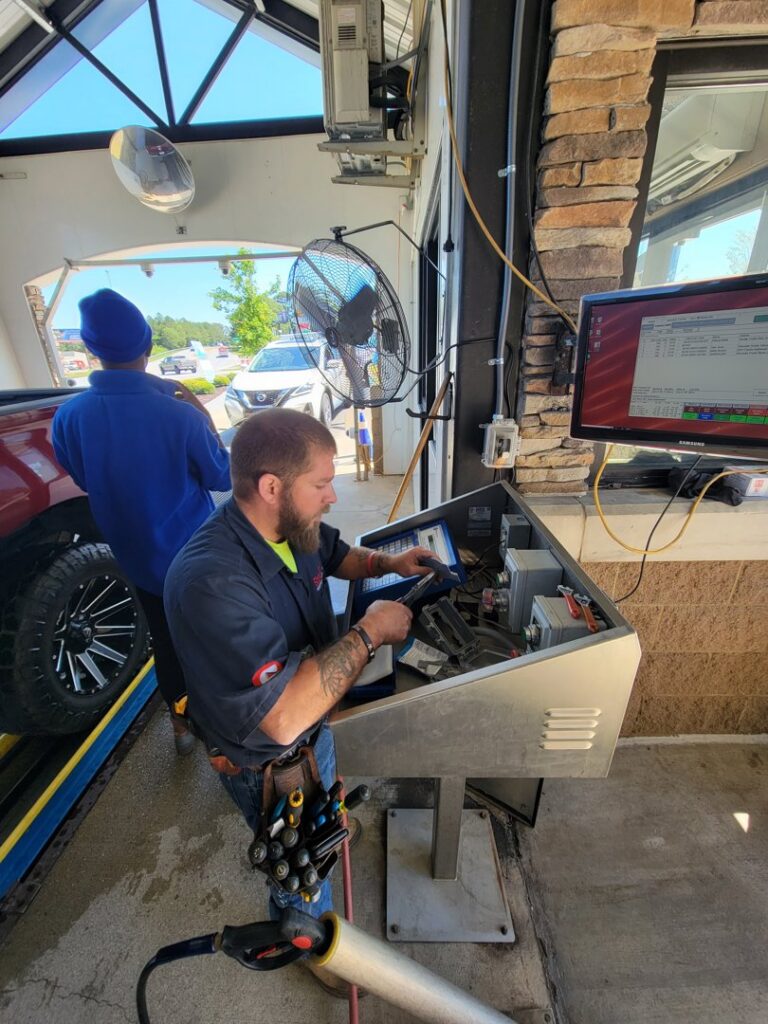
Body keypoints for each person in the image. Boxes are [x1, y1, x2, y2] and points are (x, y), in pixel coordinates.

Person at [163, 409, 432, 967]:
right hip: (268, 759)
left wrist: (389, 561)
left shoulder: (293, 524)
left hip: (316, 727)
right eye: (322, 483)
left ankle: (328, 831)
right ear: (271, 487)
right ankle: (313, 951)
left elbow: (337, 556)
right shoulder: (211, 581)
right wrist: (371, 631)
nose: (333, 496)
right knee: (302, 871)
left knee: (325, 820)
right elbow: (282, 717)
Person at [51, 288, 231, 755]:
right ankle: (228, 727)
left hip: (135, 558)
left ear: (91, 350)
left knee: (165, 638)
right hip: (196, 555)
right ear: (148, 346)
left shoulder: (68, 418)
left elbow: (84, 477)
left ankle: (181, 726)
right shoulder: (180, 415)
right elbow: (221, 475)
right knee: (212, 635)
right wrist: (204, 416)